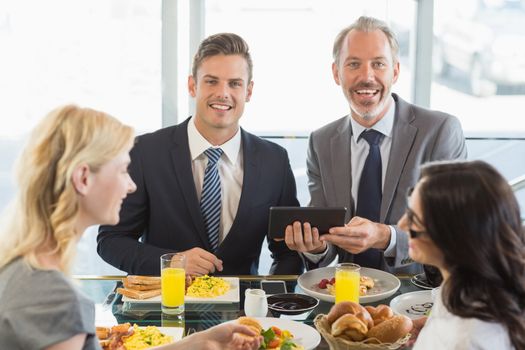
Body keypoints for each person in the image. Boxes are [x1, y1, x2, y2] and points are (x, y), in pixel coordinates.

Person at [0, 105, 261, 350]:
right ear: (82, 178)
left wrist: (200, 342)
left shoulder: (27, 270)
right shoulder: (52, 300)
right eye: (123, 170)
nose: (131, 185)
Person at [97, 33, 303, 276]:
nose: (223, 93)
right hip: (166, 308)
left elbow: (287, 252)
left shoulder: (275, 161)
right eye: (211, 81)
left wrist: (269, 301)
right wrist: (172, 262)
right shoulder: (146, 152)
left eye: (235, 83)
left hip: (242, 311)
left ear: (248, 91)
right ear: (192, 85)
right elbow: (111, 240)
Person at [282, 16, 467, 273]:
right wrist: (315, 248)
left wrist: (386, 237)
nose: (366, 77)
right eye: (354, 64)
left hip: (418, 296)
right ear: (336, 73)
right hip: (348, 298)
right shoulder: (321, 142)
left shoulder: (439, 131)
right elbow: (327, 242)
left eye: (378, 64)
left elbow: (454, 233)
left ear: (396, 71)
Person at [398, 160, 525, 349]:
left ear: (454, 234)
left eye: (413, 219)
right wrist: (430, 334)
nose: (401, 225)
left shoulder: (469, 339)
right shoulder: (458, 286)